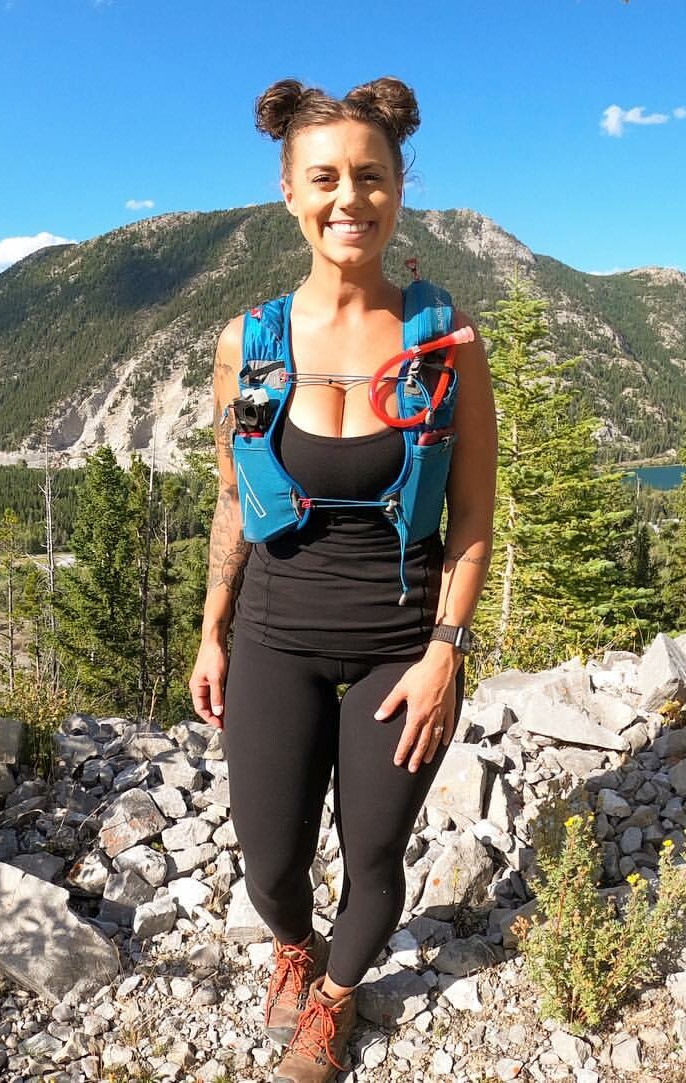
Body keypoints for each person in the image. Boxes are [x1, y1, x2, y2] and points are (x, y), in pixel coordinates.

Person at [188, 75, 496, 1083]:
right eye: (324, 178)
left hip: (402, 644)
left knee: (371, 856)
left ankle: (332, 1000)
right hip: (274, 631)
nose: (348, 198)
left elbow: (472, 517)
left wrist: (446, 655)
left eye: (370, 176)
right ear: (289, 191)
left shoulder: (445, 340)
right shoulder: (250, 341)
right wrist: (211, 632)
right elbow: (235, 496)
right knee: (271, 863)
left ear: (399, 187)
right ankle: (293, 945)